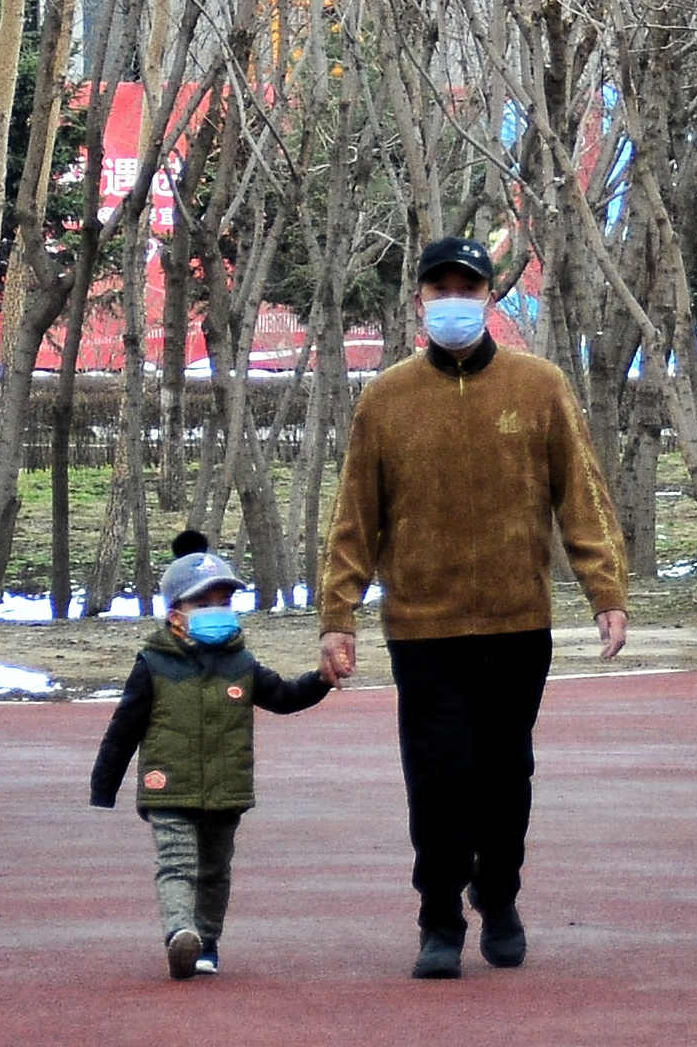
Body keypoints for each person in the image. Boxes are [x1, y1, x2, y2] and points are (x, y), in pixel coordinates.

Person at [315, 238, 632, 980]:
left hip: (517, 622)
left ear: (490, 298)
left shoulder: (539, 385)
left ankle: (500, 894)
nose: (453, 300)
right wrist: (338, 614)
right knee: (437, 776)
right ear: (419, 301)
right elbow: (356, 515)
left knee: (505, 775)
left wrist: (606, 592)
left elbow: (581, 496)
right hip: (423, 627)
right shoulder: (386, 398)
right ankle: (438, 918)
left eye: (468, 287)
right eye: (440, 289)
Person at [88, 532, 333, 978]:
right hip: (170, 789)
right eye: (203, 604)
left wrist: (321, 679)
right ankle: (180, 933)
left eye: (224, 603)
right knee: (178, 865)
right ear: (176, 614)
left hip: (225, 790)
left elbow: (284, 696)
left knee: (215, 871)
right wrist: (104, 786)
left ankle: (207, 941)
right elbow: (123, 730)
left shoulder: (242, 663)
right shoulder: (153, 664)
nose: (216, 612)